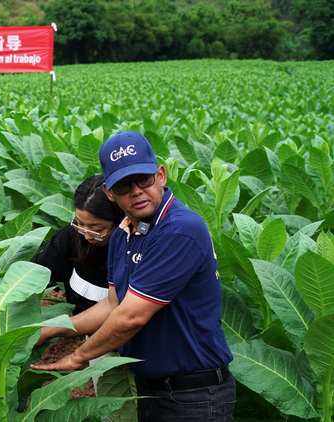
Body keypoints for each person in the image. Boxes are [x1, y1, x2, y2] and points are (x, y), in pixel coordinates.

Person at [31, 131, 235, 421]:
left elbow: (130, 317)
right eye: (124, 185)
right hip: (152, 390)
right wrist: (50, 328)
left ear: (161, 175)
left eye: (144, 179)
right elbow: (114, 305)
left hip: (194, 396)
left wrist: (79, 356)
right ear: (109, 193)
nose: (137, 191)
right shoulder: (124, 234)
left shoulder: (180, 229)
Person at [32, 174, 124, 316]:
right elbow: (33, 273)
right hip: (76, 328)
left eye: (97, 229)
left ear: (120, 221)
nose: (87, 236)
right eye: (80, 224)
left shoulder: (133, 250)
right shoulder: (70, 236)